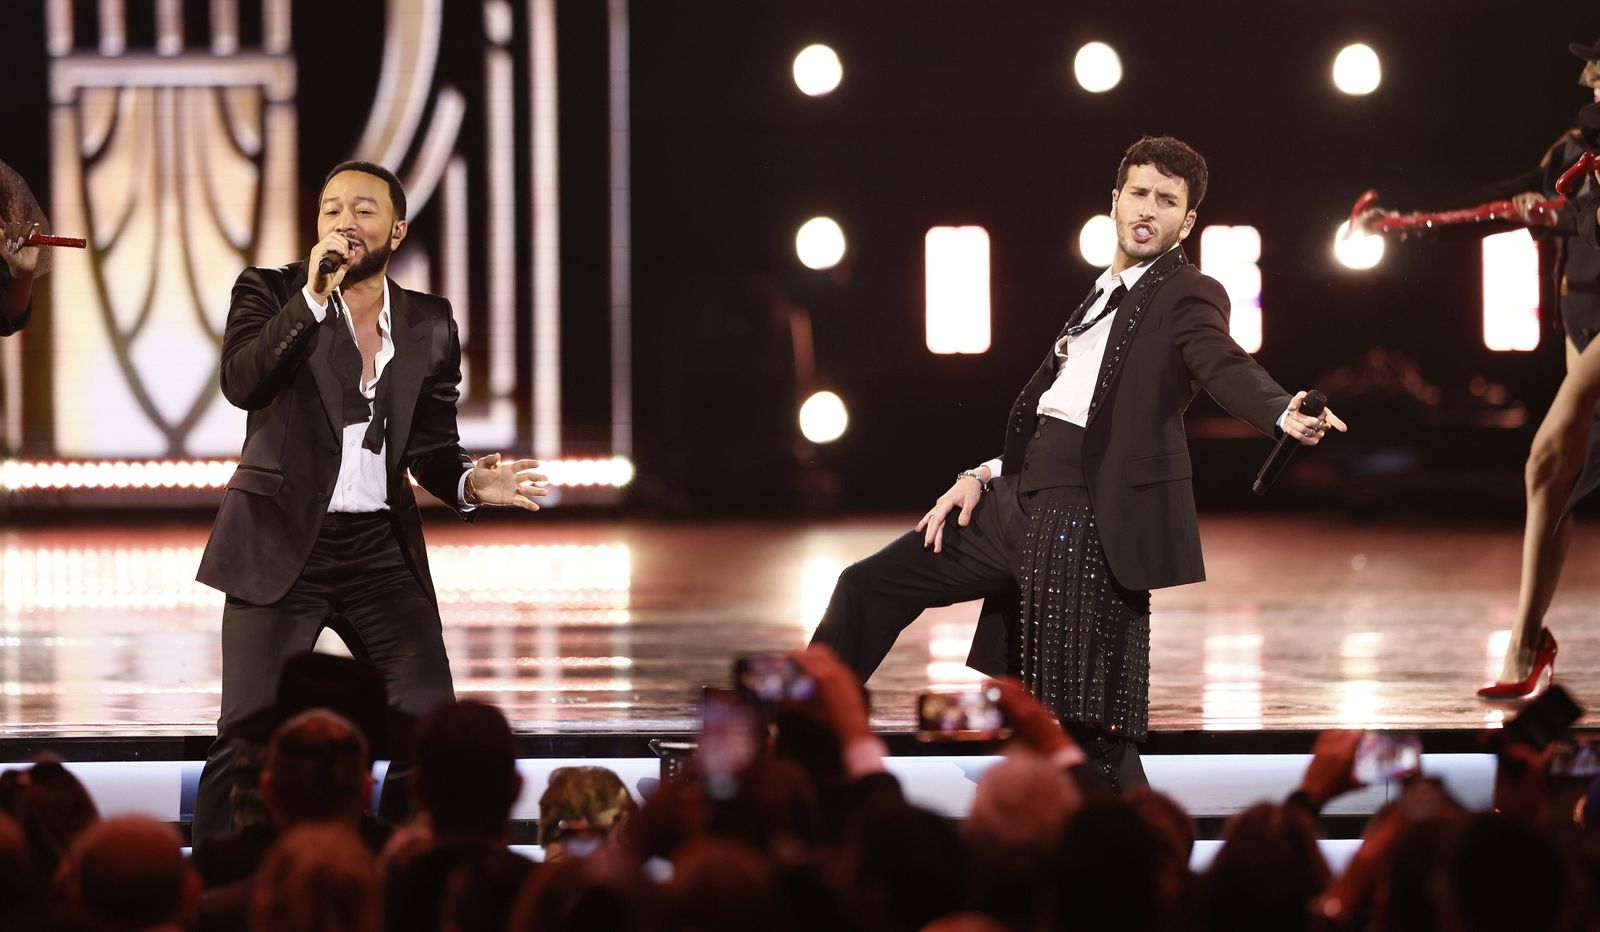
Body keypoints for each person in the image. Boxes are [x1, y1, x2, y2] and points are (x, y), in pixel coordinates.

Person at [811, 136, 1342, 787]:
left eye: (1167, 201)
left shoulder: (1186, 294)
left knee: (1080, 722)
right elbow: (1060, 413)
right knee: (867, 585)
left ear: (1186, 223)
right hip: (1015, 500)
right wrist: (981, 475)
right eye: (1139, 193)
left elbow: (1221, 361)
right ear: (1115, 201)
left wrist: (1282, 410)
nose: (1148, 209)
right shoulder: (1099, 296)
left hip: (1080, 515)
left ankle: (1130, 834)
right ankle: (804, 736)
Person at [192, 161, 549, 844]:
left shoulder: (429, 322)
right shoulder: (270, 291)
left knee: (430, 729)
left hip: (379, 552)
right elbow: (243, 382)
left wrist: (470, 483)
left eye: (363, 209)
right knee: (246, 734)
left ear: (397, 230)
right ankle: (216, 879)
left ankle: (407, 869)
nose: (345, 222)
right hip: (280, 543)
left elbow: (432, 448)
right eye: (331, 209)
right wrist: (310, 298)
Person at [1471, 38, 1600, 698]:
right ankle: (1529, 645)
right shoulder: (1574, 145)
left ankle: (1524, 645)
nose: (1589, 74)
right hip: (1582, 326)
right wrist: (1404, 218)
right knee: (1554, 471)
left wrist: (1568, 212)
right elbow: (1514, 193)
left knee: (1547, 458)